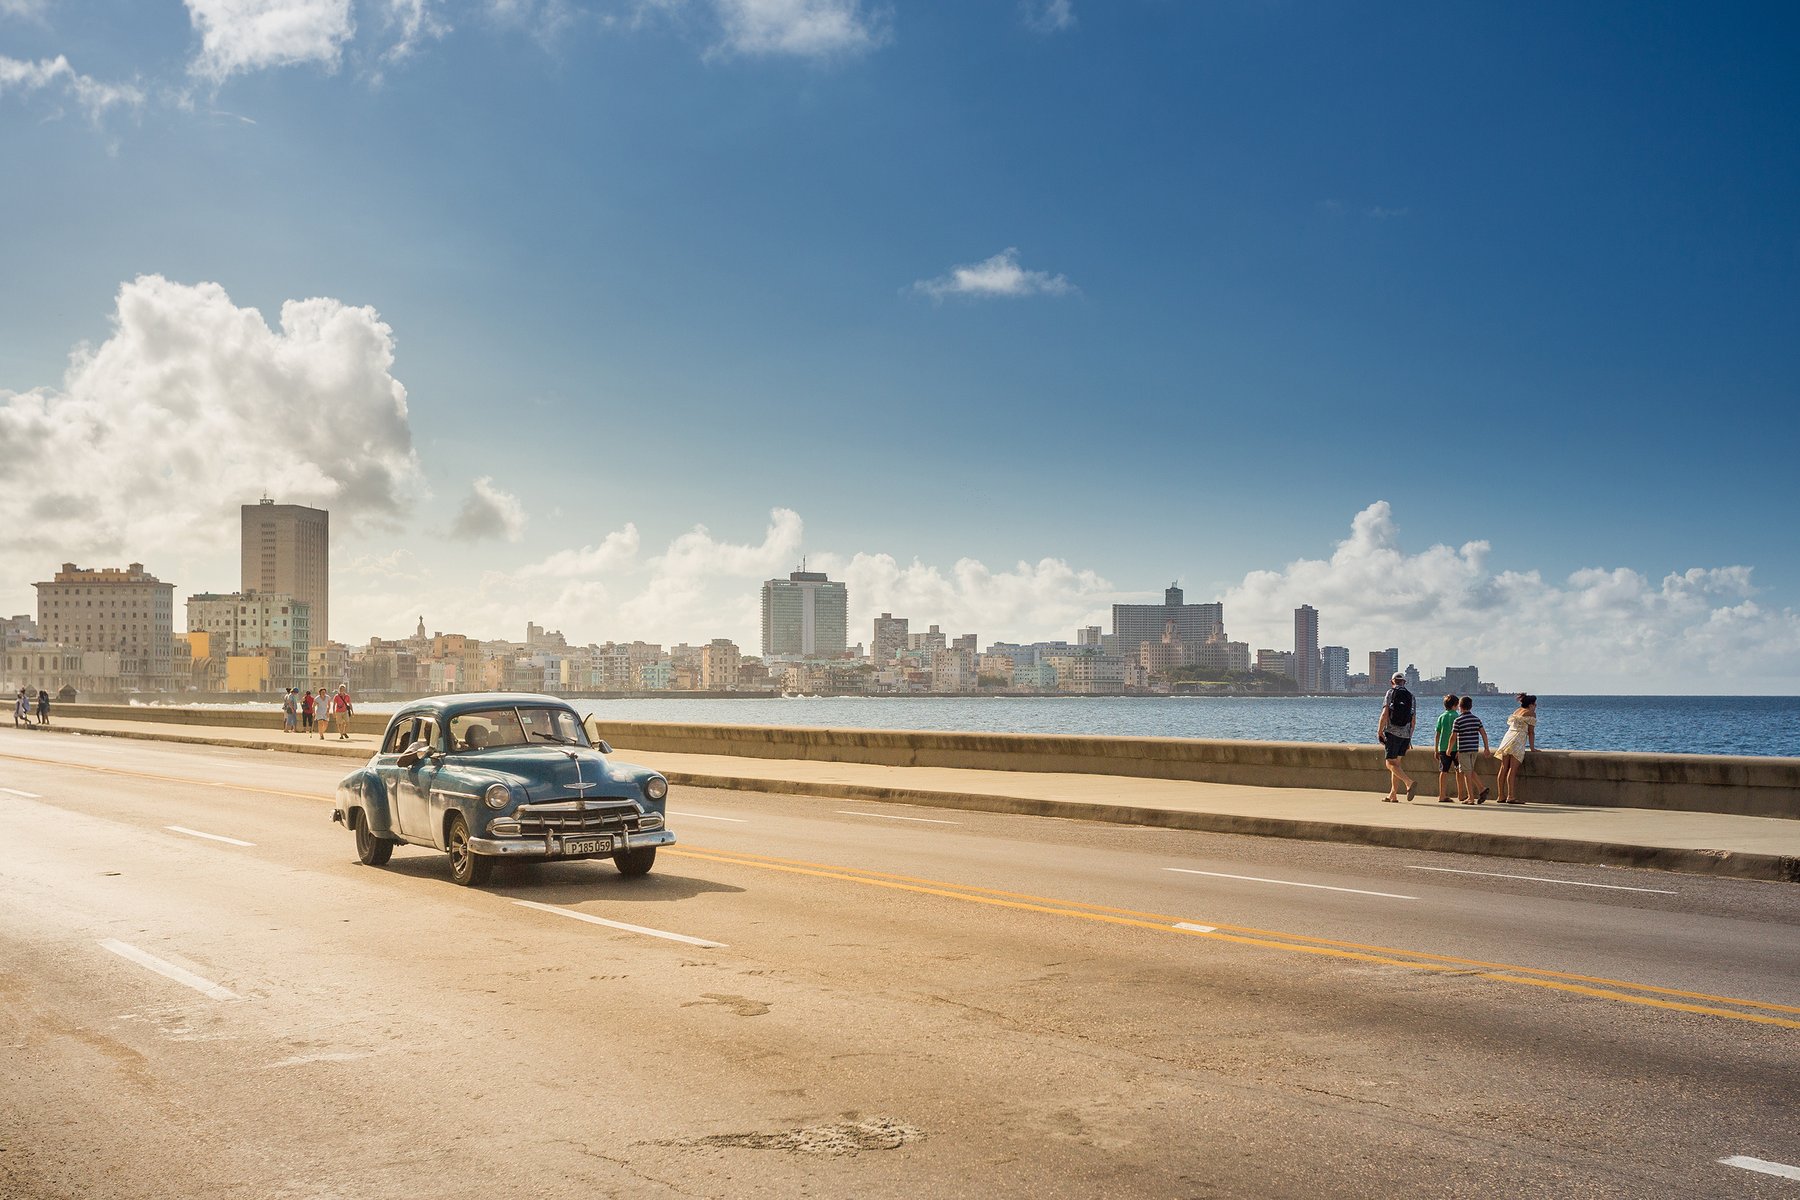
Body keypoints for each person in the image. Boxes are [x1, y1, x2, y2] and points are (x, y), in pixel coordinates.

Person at [1376, 672, 1417, 802]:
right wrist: (1409, 737)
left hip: (1392, 733)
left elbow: (1385, 713)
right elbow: (1413, 720)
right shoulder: (1411, 696)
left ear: (1392, 681)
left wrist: (1379, 731)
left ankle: (1408, 782)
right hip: (1405, 735)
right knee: (1396, 764)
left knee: (1389, 763)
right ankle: (1393, 794)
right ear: (1404, 682)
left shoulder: (1390, 693)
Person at [1494, 693, 1538, 804]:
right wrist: (1532, 748)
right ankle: (1511, 796)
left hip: (1508, 737)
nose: (1536, 705)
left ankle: (1500, 795)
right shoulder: (1531, 713)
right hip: (1518, 739)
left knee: (1503, 767)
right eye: (1534, 703)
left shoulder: (1517, 711)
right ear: (1530, 704)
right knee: (1512, 769)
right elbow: (1531, 732)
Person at [1452, 696, 1491, 804]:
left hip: (1464, 750)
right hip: (1474, 749)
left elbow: (1453, 736)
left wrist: (1449, 749)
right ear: (1471, 706)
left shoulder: (1458, 720)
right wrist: (1486, 748)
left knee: (1467, 773)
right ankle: (1482, 788)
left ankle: (1471, 797)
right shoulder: (1476, 719)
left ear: (1460, 707)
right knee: (1470, 771)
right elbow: (1483, 733)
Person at [1432, 694, 1459, 803]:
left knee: (1443, 771)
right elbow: (1458, 734)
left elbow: (1437, 734)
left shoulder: (1441, 717)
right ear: (1455, 705)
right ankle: (1461, 794)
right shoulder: (1456, 716)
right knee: (1460, 771)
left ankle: (1442, 795)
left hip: (1442, 747)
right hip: (1455, 748)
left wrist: (1436, 749)